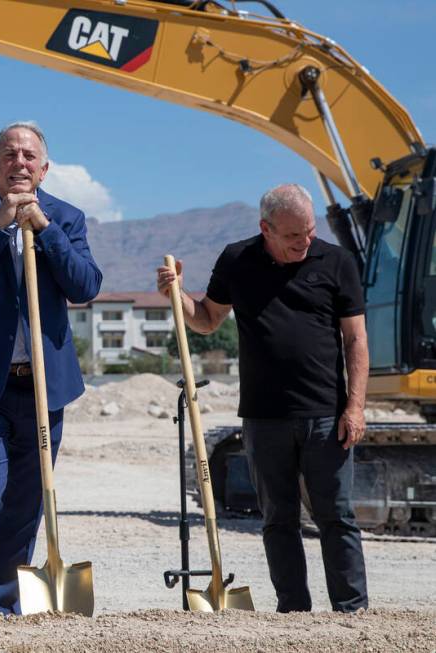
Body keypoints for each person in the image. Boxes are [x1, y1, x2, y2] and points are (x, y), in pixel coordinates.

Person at [156, 183, 369, 612]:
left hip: (325, 415)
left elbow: (356, 338)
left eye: (308, 231)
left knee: (337, 516)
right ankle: (293, 610)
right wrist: (176, 294)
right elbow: (208, 320)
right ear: (265, 229)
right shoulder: (238, 260)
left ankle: (352, 611)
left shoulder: (337, 262)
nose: (304, 242)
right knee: (277, 519)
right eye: (293, 236)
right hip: (263, 417)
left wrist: (355, 406)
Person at [0, 121, 103, 616]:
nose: (19, 163)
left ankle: (7, 609)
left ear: (44, 169)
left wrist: (44, 232)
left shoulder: (66, 218)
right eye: (9, 155)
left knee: (28, 500)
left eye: (29, 157)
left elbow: (85, 285)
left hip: (44, 387)